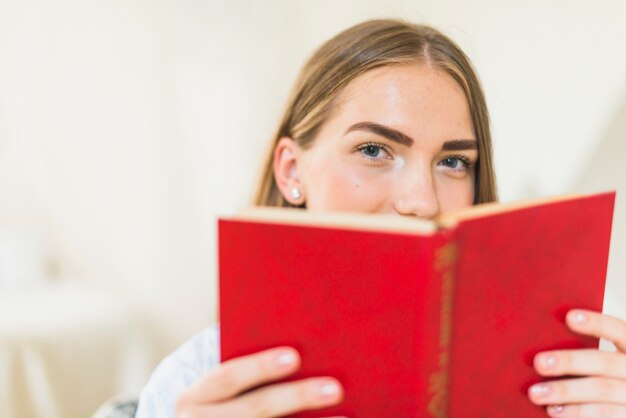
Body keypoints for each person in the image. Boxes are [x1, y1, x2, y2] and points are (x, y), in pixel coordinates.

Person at [135, 19, 626, 418]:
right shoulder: (195, 383)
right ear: (291, 171)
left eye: (453, 162)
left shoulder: (552, 383)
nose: (421, 201)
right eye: (374, 149)